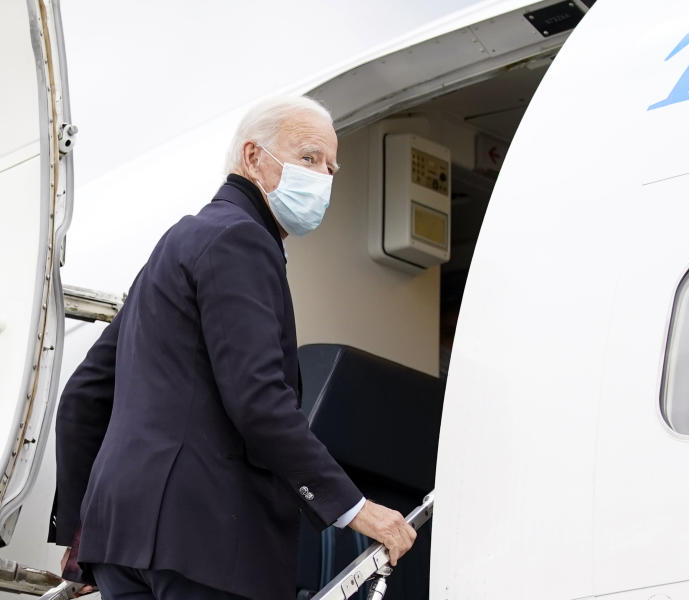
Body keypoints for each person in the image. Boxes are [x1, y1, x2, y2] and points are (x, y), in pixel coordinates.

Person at [50, 96, 416, 600]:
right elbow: (258, 401)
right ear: (252, 157)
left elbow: (84, 394)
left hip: (120, 549)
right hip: (207, 543)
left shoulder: (180, 241)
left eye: (331, 168)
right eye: (309, 158)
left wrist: (82, 534)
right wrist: (355, 508)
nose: (323, 178)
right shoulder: (242, 240)